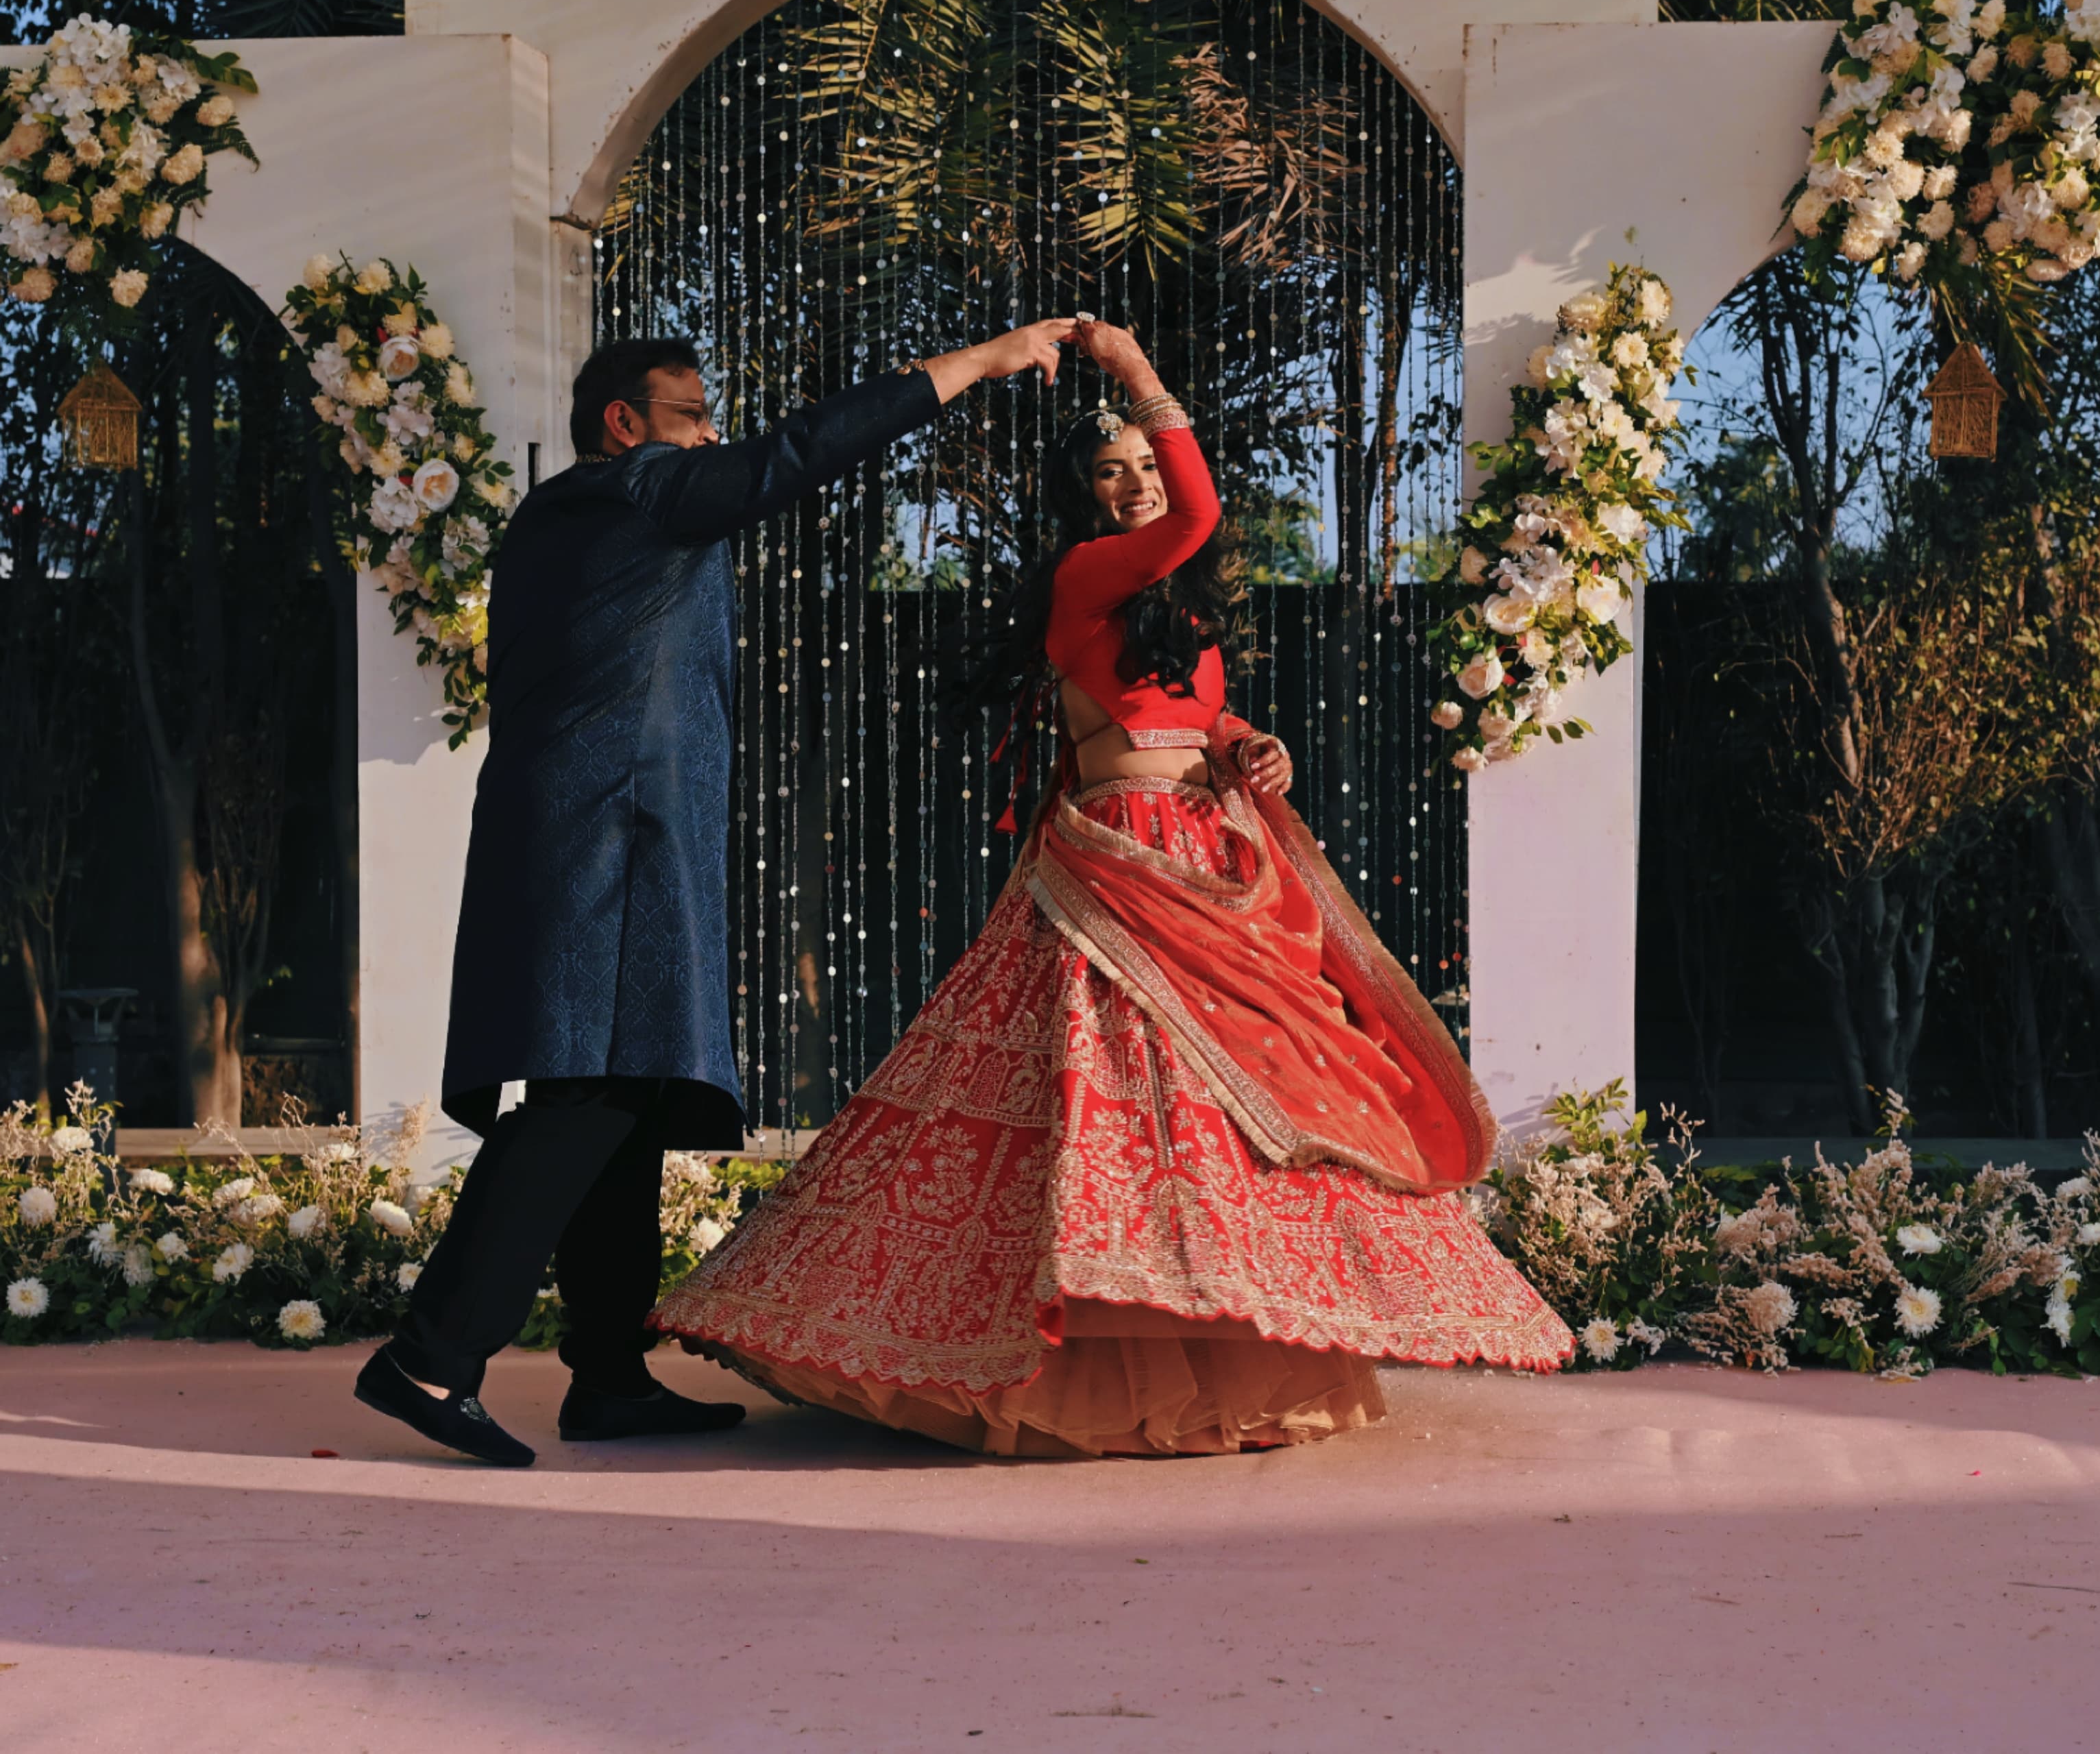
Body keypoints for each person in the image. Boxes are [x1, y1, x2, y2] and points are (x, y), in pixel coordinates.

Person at [654, 321, 1574, 1456]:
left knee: (1227, 1115)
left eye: (1145, 464)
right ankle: (1054, 1353)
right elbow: (1197, 519)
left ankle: (1227, 1330)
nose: (1138, 486)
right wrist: (1140, 377)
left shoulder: (1171, 611)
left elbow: (1186, 716)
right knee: (1110, 1107)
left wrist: (1250, 745)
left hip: (1208, 854)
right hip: (1123, 868)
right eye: (1113, 471)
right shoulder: (1086, 577)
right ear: (1082, 497)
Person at [359, 319, 1082, 1467]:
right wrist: (979, 365)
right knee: (584, 1102)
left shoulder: (578, 517)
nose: (713, 436)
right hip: (612, 839)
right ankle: (429, 1357)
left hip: (607, 832)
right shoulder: (633, 492)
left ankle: (606, 1377)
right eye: (694, 417)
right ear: (626, 424)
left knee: (626, 1097)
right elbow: (798, 454)